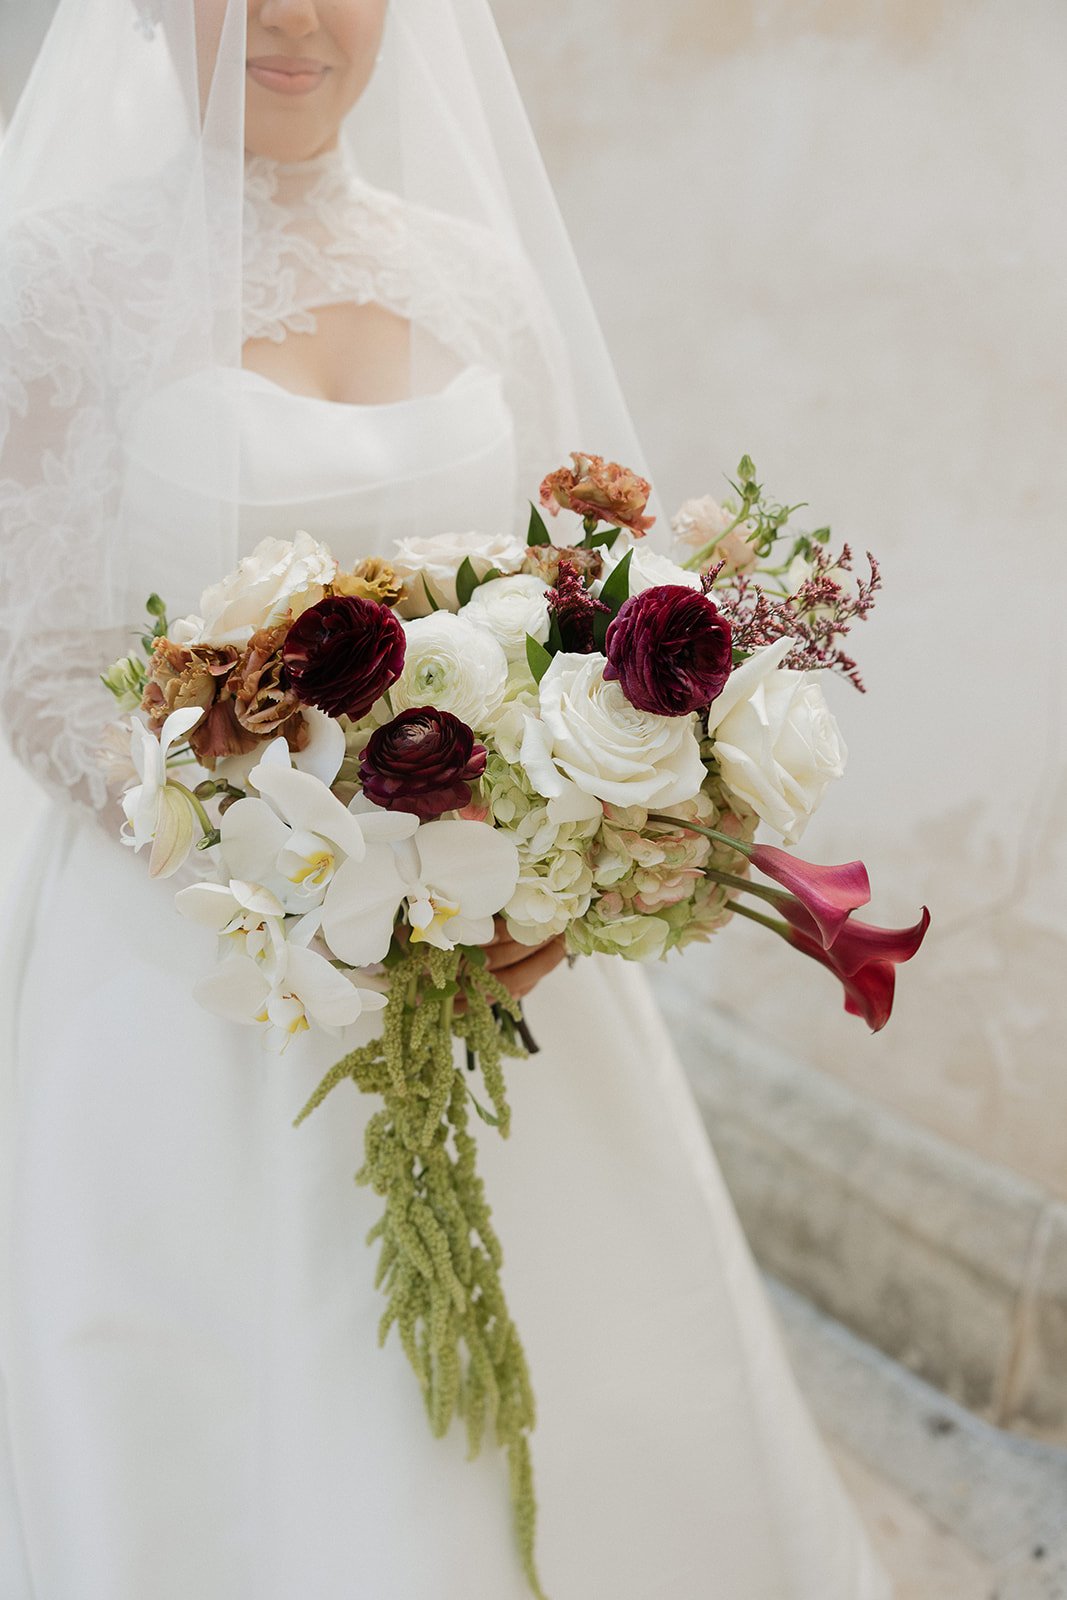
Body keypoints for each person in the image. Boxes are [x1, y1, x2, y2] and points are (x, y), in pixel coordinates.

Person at [0, 3, 892, 1596]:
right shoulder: (60, 284)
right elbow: (42, 656)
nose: (290, 16)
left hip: (493, 958)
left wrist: (564, 869)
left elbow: (566, 601)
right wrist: (268, 866)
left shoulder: (469, 272)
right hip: (191, 972)